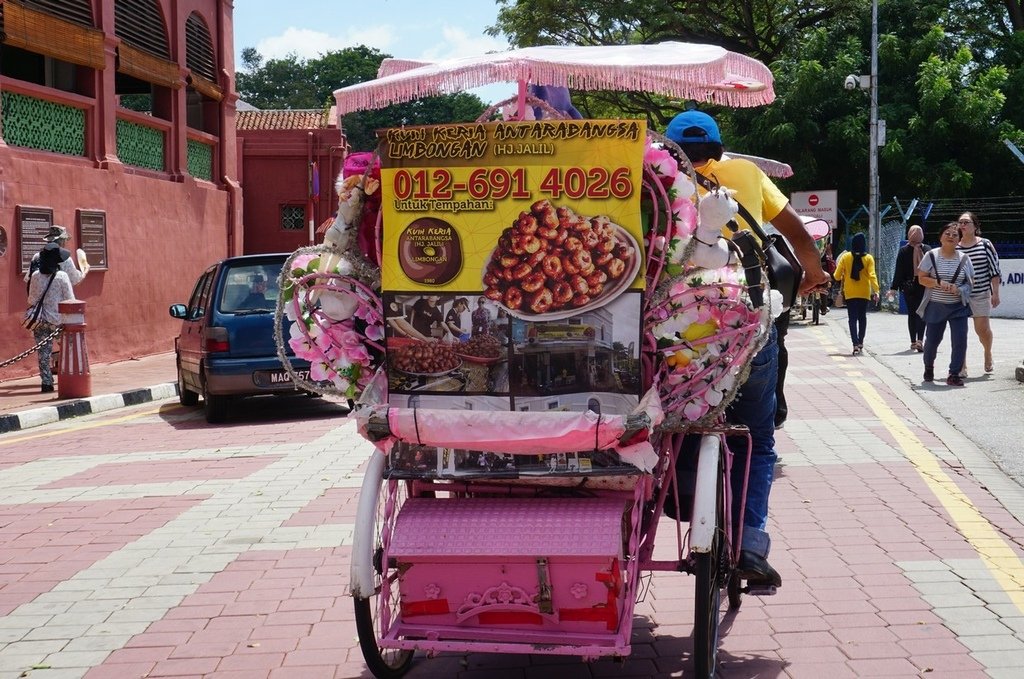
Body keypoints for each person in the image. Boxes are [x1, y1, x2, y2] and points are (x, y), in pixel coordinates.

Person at [666, 109, 829, 588]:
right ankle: (751, 542)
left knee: (669, 424)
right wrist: (815, 273)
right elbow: (797, 231)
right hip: (746, 328)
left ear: (671, 150)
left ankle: (677, 502)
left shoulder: (655, 180)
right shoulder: (747, 174)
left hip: (675, 337)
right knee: (757, 439)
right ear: (717, 148)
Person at [918, 222, 974, 386]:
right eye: (947, 233)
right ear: (941, 236)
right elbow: (921, 278)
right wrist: (938, 283)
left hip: (958, 306)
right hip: (936, 305)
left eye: (955, 235)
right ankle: (929, 367)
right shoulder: (931, 256)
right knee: (932, 341)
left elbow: (971, 283)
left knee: (960, 340)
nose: (950, 237)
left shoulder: (964, 258)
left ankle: (954, 373)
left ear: (959, 240)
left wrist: (959, 289)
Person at [25, 243, 77, 393]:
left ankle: (46, 383)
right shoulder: (62, 276)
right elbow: (70, 298)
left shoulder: (35, 276)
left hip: (41, 320)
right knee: (69, 349)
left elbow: (31, 300)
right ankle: (69, 377)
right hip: (60, 321)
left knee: (43, 353)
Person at [956, 212, 1001, 374]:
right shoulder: (955, 247)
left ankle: (987, 353)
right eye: (960, 222)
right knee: (959, 331)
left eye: (966, 222)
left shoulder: (985, 244)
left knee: (981, 329)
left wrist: (995, 293)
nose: (963, 225)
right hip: (959, 295)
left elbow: (994, 270)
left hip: (981, 293)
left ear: (975, 226)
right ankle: (961, 364)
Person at [832, 232, 879, 355]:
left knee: (852, 318)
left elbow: (836, 276)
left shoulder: (845, 257)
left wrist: (843, 274)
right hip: (864, 292)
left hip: (850, 293)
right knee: (862, 317)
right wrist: (876, 291)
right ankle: (861, 342)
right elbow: (872, 275)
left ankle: (854, 344)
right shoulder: (868, 258)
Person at [891, 225, 930, 352]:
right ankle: (918, 340)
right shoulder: (926, 250)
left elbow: (899, 271)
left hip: (911, 286)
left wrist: (894, 287)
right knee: (920, 313)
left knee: (913, 314)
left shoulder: (905, 250)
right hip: (921, 285)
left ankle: (915, 341)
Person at [24, 225, 87, 292]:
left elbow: (28, 279)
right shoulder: (66, 259)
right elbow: (75, 281)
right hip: (58, 301)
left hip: (38, 301)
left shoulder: (37, 256)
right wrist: (85, 272)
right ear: (62, 241)